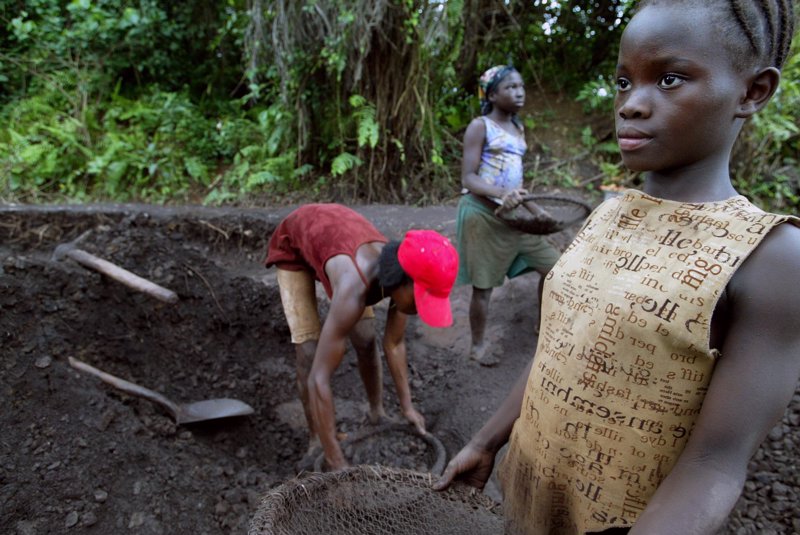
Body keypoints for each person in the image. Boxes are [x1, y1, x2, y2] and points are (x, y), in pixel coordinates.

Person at [434, 1, 800, 534]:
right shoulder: (610, 214)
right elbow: (558, 349)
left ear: (752, 91)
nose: (631, 105)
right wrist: (487, 440)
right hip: (528, 498)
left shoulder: (771, 256)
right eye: (624, 82)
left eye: (670, 79)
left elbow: (714, 465)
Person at [265, 203, 458, 471]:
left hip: (337, 240)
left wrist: (407, 408)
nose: (417, 310)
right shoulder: (355, 286)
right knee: (310, 355)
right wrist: (337, 461)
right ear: (402, 280)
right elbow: (319, 378)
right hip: (294, 245)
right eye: (419, 301)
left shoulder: (400, 275)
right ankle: (316, 440)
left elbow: (394, 342)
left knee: (366, 339)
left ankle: (376, 413)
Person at [456, 64, 561, 367]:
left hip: (514, 216)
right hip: (483, 215)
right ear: (491, 94)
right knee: (484, 287)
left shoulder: (518, 128)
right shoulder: (481, 126)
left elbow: (515, 183)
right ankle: (477, 347)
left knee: (554, 269)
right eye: (510, 88)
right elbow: (469, 178)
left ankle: (543, 330)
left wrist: (535, 209)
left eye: (521, 87)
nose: (519, 93)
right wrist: (502, 195)